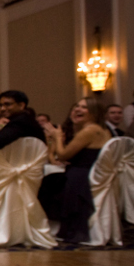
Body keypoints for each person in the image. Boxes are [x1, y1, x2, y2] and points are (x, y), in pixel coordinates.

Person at [44, 97, 111, 243]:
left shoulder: (89, 131)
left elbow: (62, 155)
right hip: (91, 173)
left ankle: (57, 226)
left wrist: (56, 137)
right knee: (52, 179)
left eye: (84, 107)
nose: (77, 109)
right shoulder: (103, 129)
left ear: (94, 112)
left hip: (81, 176)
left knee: (47, 183)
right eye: (77, 106)